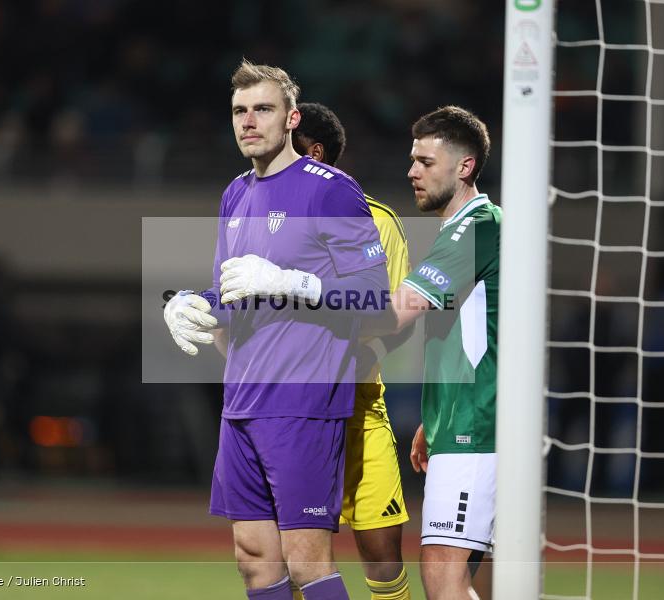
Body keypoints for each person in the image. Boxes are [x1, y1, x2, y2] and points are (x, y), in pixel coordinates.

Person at [163, 59, 390, 600]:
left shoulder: (330, 190)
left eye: (262, 109)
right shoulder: (234, 195)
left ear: (291, 118)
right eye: (240, 111)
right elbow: (237, 292)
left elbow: (376, 300)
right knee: (254, 559)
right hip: (241, 399)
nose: (249, 121)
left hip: (303, 402)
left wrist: (298, 283)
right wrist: (193, 303)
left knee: (306, 561)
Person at [357, 106, 498, 600]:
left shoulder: (474, 227)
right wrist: (433, 418)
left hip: (478, 428)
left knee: (442, 575)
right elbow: (472, 337)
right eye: (412, 160)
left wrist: (294, 291)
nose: (411, 172)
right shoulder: (463, 230)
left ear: (464, 166)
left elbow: (396, 312)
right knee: (449, 578)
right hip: (460, 421)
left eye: (424, 161)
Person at [292, 102, 413, 600]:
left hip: (359, 402)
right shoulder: (268, 218)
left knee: (382, 551)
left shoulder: (378, 220)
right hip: (292, 407)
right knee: (290, 551)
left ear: (315, 152)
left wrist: (349, 340)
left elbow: (398, 318)